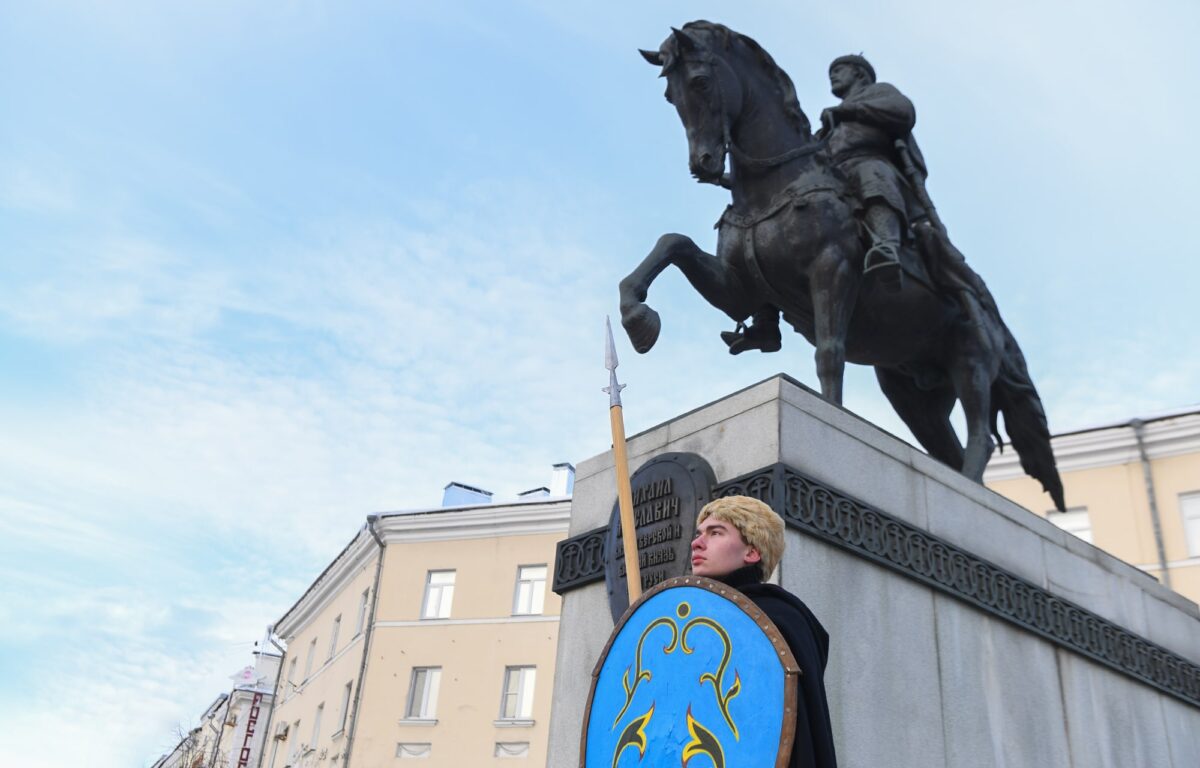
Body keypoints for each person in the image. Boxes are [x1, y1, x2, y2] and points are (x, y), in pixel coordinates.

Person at [690, 495, 838, 768]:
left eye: (716, 533)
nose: (697, 542)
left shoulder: (780, 619)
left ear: (752, 552)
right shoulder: (694, 621)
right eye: (699, 533)